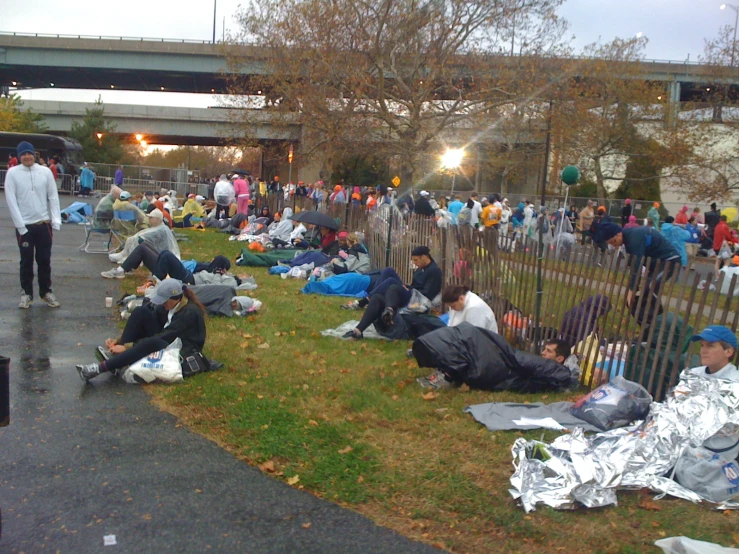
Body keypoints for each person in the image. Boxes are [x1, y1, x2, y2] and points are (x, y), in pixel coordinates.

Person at [75, 279, 207, 382]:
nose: (162, 304)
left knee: (152, 342)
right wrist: (119, 341)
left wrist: (128, 347)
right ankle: (118, 360)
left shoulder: (189, 313)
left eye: (164, 301)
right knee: (141, 312)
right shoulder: (168, 306)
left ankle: (98, 368)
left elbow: (165, 336)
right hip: (165, 339)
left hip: (182, 349)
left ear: (176, 298)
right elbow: (151, 320)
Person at [415, 323, 572, 390]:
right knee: (467, 337)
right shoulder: (543, 367)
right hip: (495, 362)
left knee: (467, 338)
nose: (543, 353)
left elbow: (518, 359)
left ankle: (449, 374)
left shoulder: (552, 369)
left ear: (560, 359)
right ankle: (448, 372)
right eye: (544, 349)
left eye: (549, 351)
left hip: (493, 369)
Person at [5, 140, 62, 309]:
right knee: (26, 261)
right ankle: (26, 293)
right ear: (19, 156)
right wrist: (20, 225)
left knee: (44, 260)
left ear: (34, 155)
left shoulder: (44, 172)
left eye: (29, 154)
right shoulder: (13, 173)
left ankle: (46, 292)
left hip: (44, 224)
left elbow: (53, 196)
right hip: (25, 226)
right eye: (23, 154)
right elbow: (11, 200)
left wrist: (56, 220)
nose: (27, 157)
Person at [343, 246, 442, 339]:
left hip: (420, 300)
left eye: (416, 260)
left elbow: (428, 293)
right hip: (412, 294)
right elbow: (414, 285)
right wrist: (407, 287)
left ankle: (370, 304)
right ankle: (358, 331)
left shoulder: (434, 271)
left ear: (424, 257)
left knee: (392, 284)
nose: (414, 263)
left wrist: (408, 290)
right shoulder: (420, 270)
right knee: (386, 277)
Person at [598, 222, 681, 305]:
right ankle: (648, 314)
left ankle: (654, 314)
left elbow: (637, 265)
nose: (614, 244)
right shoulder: (628, 239)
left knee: (650, 286)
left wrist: (632, 290)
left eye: (614, 241)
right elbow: (632, 264)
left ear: (618, 234)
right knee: (647, 290)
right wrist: (634, 287)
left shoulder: (634, 238)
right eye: (611, 243)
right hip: (657, 263)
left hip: (670, 260)